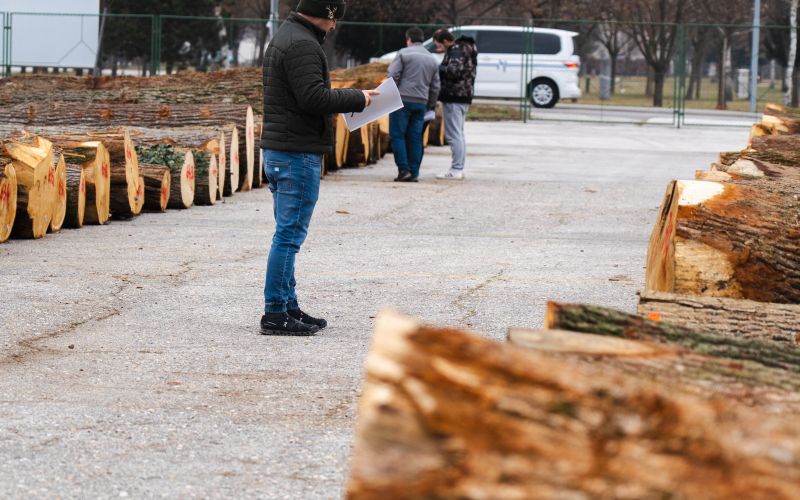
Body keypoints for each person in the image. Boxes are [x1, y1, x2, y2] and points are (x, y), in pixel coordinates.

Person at [259, 0, 379, 336]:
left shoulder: (289, 35)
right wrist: (359, 98)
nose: (335, 26)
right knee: (288, 237)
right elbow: (313, 98)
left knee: (286, 233)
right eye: (334, 19)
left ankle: (287, 304)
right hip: (296, 153)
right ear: (325, 15)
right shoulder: (302, 44)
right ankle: (275, 313)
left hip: (283, 150)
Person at [388, 27, 440, 182]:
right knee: (415, 137)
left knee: (397, 135)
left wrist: (392, 95)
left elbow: (392, 75)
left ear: (408, 39)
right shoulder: (432, 59)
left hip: (402, 100)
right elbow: (436, 86)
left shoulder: (403, 53)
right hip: (421, 103)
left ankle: (403, 170)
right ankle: (414, 172)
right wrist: (430, 105)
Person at [433, 29, 477, 181]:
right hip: (463, 95)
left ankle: (456, 169)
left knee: (453, 135)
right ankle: (458, 167)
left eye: (438, 45)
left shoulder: (457, 51)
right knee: (458, 133)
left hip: (454, 96)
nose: (438, 48)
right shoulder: (466, 48)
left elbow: (453, 71)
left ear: (446, 41)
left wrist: (437, 68)